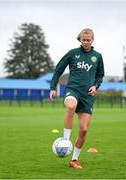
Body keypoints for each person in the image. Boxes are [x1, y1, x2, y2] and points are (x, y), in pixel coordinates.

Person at [49, 28, 104, 169]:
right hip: (72, 90)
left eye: (88, 40)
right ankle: (65, 140)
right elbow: (58, 69)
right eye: (83, 40)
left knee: (84, 130)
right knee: (71, 106)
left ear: (92, 40)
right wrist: (52, 87)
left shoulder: (97, 56)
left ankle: (74, 160)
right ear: (79, 39)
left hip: (87, 96)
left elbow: (100, 75)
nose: (86, 42)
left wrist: (96, 86)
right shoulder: (73, 53)